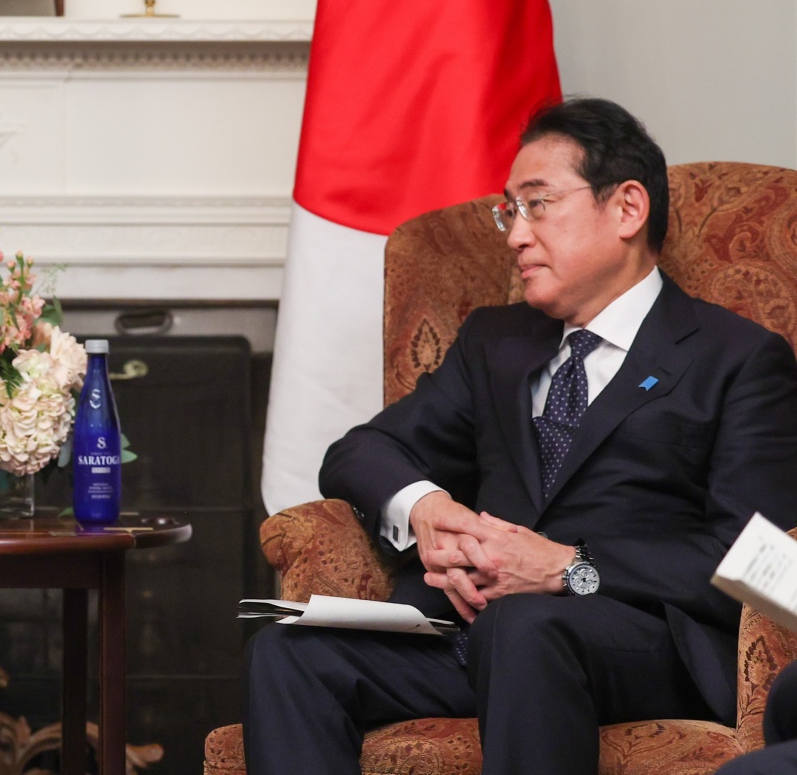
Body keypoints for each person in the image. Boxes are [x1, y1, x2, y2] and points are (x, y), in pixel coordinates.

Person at [245, 98, 797, 775]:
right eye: (511, 211)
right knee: (290, 649)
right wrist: (426, 509)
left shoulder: (734, 356)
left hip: (638, 640)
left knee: (526, 623)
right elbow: (359, 451)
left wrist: (569, 568)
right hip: (472, 632)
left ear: (626, 208)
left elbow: (760, 564)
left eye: (537, 205)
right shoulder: (494, 342)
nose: (514, 235)